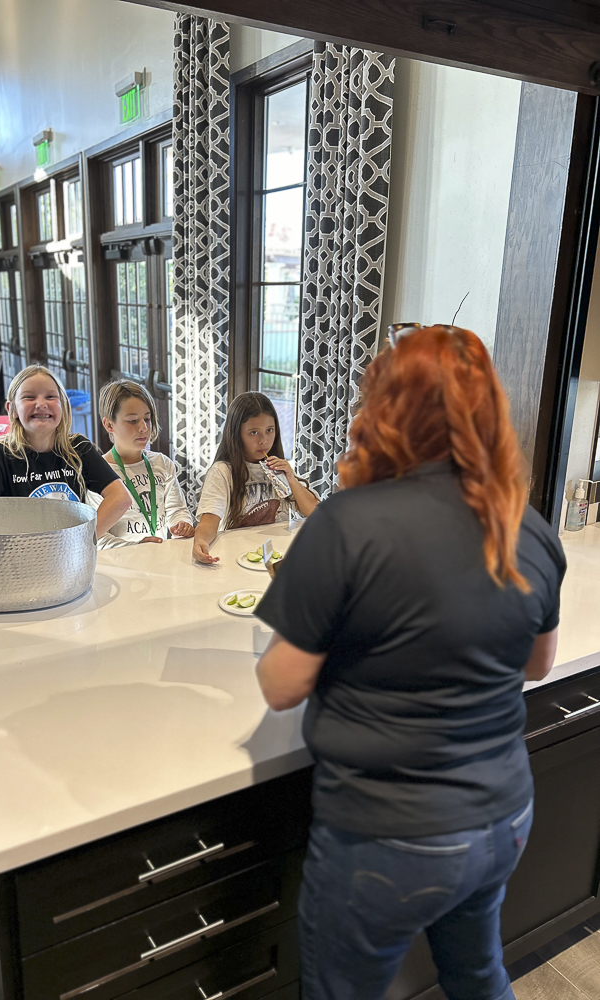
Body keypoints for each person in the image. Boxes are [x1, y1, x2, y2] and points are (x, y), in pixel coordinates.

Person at [254, 325, 566, 1000]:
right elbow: (538, 663)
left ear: (385, 410)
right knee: (478, 972)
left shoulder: (348, 523)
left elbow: (281, 685)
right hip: (502, 818)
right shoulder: (527, 525)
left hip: (388, 836)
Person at [0, 366, 132, 536]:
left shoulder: (79, 449)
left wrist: (84, 539)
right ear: (12, 409)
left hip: (69, 557)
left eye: (51, 396)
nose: (41, 404)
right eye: (29, 397)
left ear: (64, 405)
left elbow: (120, 498)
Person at [193, 391, 318, 564]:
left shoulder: (279, 467)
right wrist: (200, 541)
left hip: (278, 555)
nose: (264, 440)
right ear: (236, 435)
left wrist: (291, 479)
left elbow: (314, 512)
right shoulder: (222, 471)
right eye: (253, 432)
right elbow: (209, 521)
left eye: (269, 430)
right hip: (236, 557)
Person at [97, 379, 194, 547]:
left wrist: (182, 524)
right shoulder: (98, 473)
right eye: (133, 421)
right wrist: (135, 547)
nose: (143, 428)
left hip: (160, 560)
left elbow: (177, 510)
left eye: (147, 419)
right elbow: (96, 538)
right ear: (109, 424)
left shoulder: (162, 463)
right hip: (122, 565)